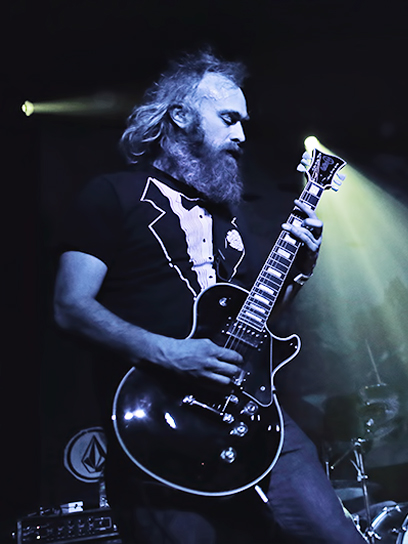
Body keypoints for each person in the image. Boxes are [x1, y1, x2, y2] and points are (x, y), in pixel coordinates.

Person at [52, 49, 367, 544]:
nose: (241, 135)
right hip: (160, 423)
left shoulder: (230, 224)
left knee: (339, 536)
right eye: (228, 119)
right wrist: (171, 353)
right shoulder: (111, 195)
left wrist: (298, 273)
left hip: (253, 413)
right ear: (180, 116)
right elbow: (70, 306)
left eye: (243, 122)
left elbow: (253, 329)